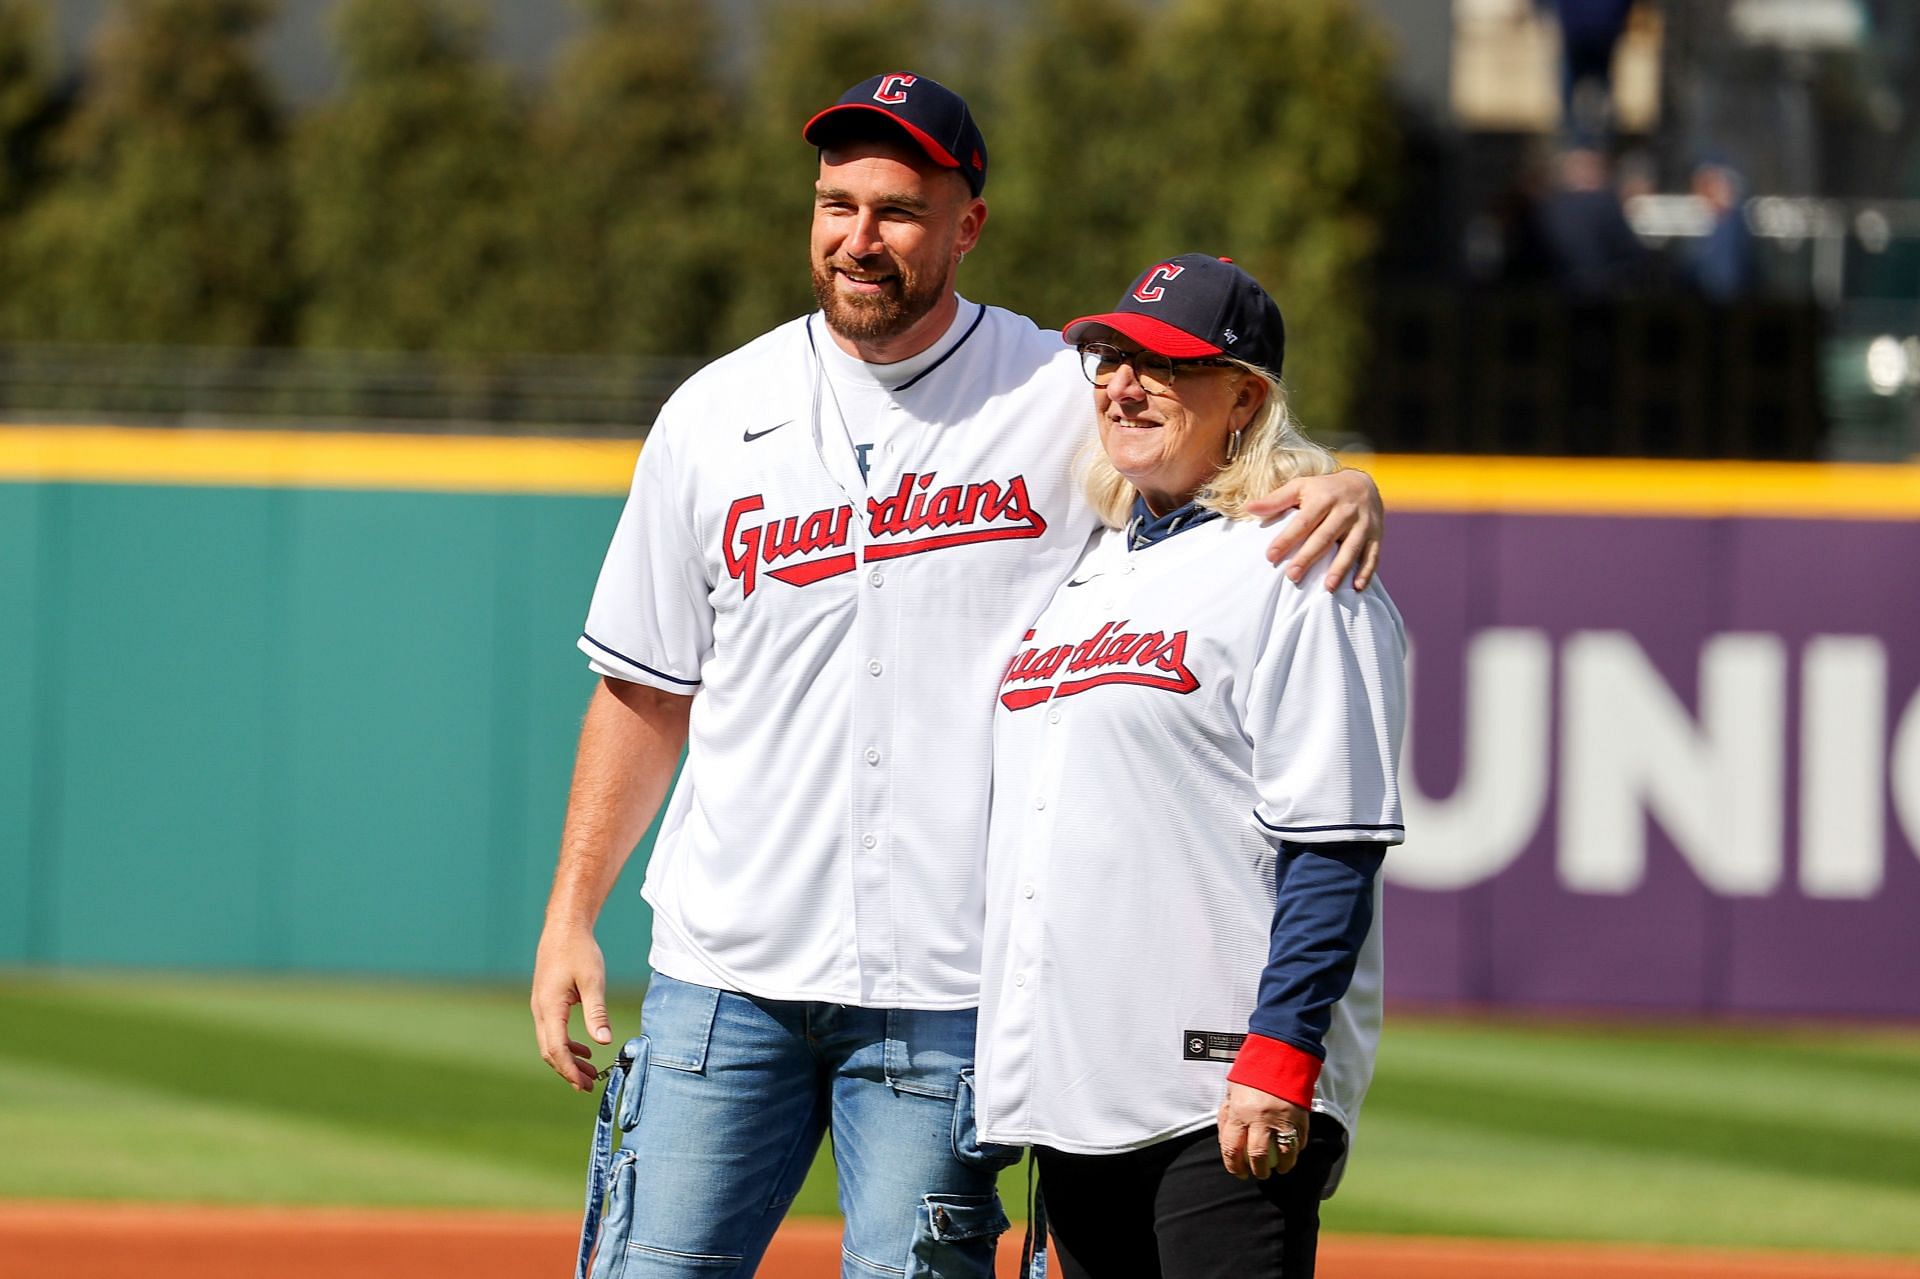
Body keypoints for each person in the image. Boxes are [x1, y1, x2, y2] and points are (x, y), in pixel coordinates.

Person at [529, 75, 1386, 1279]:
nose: (858, 237)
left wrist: (1341, 479)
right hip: (726, 970)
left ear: (967, 223)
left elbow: (1214, 444)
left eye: (897, 209)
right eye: (837, 204)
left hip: (947, 989)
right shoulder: (711, 416)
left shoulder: (1060, 394)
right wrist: (573, 910)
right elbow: (643, 689)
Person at [974, 255, 1407, 1278]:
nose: (1123, 383)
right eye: (1113, 357)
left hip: (1221, 1096)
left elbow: (1335, 838)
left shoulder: (1302, 569)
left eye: (1162, 364)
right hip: (1081, 1089)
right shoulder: (1087, 567)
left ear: (1245, 397)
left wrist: (1283, 1048)